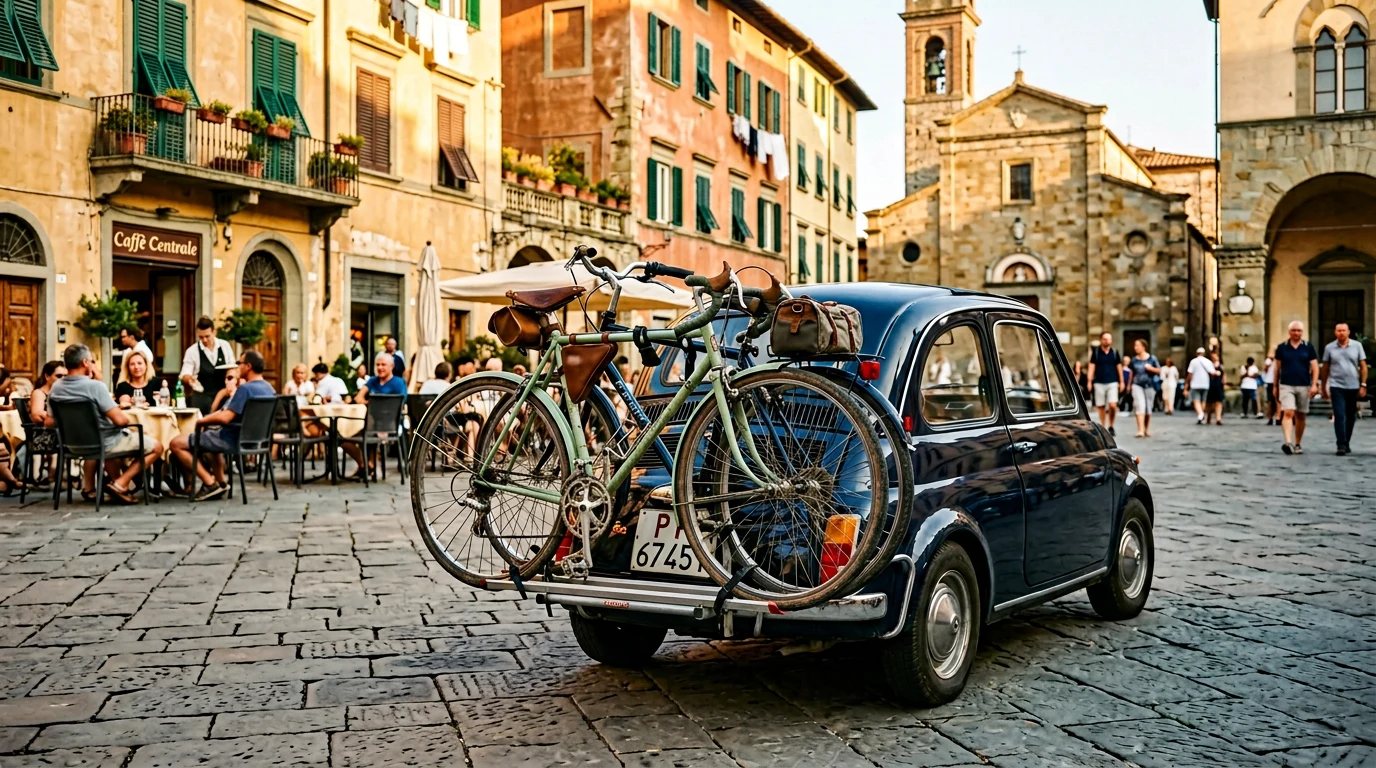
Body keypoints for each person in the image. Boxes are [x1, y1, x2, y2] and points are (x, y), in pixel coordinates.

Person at [46, 344, 162, 504]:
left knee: (111, 441)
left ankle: (106, 487)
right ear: (86, 362)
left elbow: (49, 422)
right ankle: (121, 483)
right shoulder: (95, 387)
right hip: (103, 443)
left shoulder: (56, 388)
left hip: (72, 445)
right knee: (156, 447)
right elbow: (121, 421)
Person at [169, 350, 276, 501]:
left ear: (248, 366)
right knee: (210, 438)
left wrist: (203, 420)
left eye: (240, 363)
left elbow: (226, 417)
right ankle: (220, 482)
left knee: (176, 444)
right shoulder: (269, 388)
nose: (238, 367)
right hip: (256, 441)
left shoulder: (245, 389)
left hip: (232, 438)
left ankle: (209, 483)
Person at [342, 353, 407, 480]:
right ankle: (365, 464)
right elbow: (358, 397)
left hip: (389, 424)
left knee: (363, 434)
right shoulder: (372, 380)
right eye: (378, 364)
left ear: (392, 366)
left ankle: (367, 466)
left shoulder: (398, 383)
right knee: (343, 439)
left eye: (383, 365)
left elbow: (401, 403)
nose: (380, 367)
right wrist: (370, 404)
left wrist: (375, 405)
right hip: (367, 423)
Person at [1271, 320, 1320, 455]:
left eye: (1299, 330)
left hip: (1304, 384)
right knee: (1288, 412)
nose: (1296, 333)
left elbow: (1315, 367)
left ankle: (1298, 443)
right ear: (1289, 332)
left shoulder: (1308, 347)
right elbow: (1277, 368)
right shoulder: (1282, 347)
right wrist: (1275, 385)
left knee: (1301, 415)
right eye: (1294, 330)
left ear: (1302, 332)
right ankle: (1288, 442)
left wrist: (1314, 384)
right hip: (1286, 384)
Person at [1321, 322, 1368, 456]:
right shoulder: (1329, 348)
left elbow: (1363, 366)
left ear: (1348, 332)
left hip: (1353, 386)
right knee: (1340, 415)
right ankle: (1341, 444)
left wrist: (1363, 384)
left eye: (1343, 330)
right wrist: (1324, 386)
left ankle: (1346, 441)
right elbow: (1325, 367)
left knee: (1350, 416)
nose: (1341, 333)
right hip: (1336, 386)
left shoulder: (1357, 346)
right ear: (1335, 332)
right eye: (1338, 330)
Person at [179, 316, 236, 415]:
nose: (204, 340)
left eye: (207, 336)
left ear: (214, 332)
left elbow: (233, 368)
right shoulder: (192, 351)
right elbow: (185, 374)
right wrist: (189, 379)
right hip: (202, 395)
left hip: (223, 393)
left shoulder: (225, 346)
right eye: (201, 337)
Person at [26, 360, 66, 487]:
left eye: (66, 376)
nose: (63, 379)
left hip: (58, 432)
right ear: (47, 376)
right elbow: (37, 414)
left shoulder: (62, 393)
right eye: (59, 376)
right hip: (42, 435)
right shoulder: (39, 393)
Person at [1086, 332, 1124, 435]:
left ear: (1111, 341)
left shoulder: (1115, 352)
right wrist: (1089, 381)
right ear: (1101, 340)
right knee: (1101, 405)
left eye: (1108, 339)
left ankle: (1111, 425)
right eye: (1104, 339)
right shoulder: (1096, 352)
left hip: (1112, 381)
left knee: (1112, 405)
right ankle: (1103, 425)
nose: (1106, 341)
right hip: (1099, 382)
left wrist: (1122, 381)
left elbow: (1119, 367)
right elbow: (1091, 367)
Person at [1127, 340, 1161, 438]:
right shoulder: (1134, 360)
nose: (1135, 347)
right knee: (1139, 405)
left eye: (1137, 345)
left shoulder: (1152, 358)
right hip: (1137, 384)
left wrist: (1151, 368)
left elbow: (1159, 370)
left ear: (1143, 347)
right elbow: (1131, 373)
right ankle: (1140, 429)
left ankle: (1147, 429)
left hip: (1149, 385)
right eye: (1135, 345)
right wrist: (1129, 385)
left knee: (1148, 408)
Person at [1185, 347, 1214, 424]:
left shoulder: (1193, 362)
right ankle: (1201, 414)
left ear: (1196, 353)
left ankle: (1200, 414)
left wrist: (1187, 384)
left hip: (1195, 384)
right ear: (1204, 353)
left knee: (1196, 401)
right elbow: (1212, 373)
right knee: (1203, 401)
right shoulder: (1208, 362)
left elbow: (1190, 374)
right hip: (1205, 384)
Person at [1207, 351, 1227, 425]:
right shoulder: (1208, 365)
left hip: (1219, 385)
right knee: (1210, 403)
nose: (1215, 358)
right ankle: (1208, 417)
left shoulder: (1220, 366)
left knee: (1218, 402)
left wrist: (1224, 382)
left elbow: (1223, 374)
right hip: (1210, 385)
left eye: (1216, 357)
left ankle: (1218, 418)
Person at [1261, 355, 1277, 424]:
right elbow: (1265, 369)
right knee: (1270, 401)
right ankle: (1270, 418)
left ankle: (1277, 417)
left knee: (1276, 401)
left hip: (1276, 382)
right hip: (1270, 382)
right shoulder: (1269, 361)